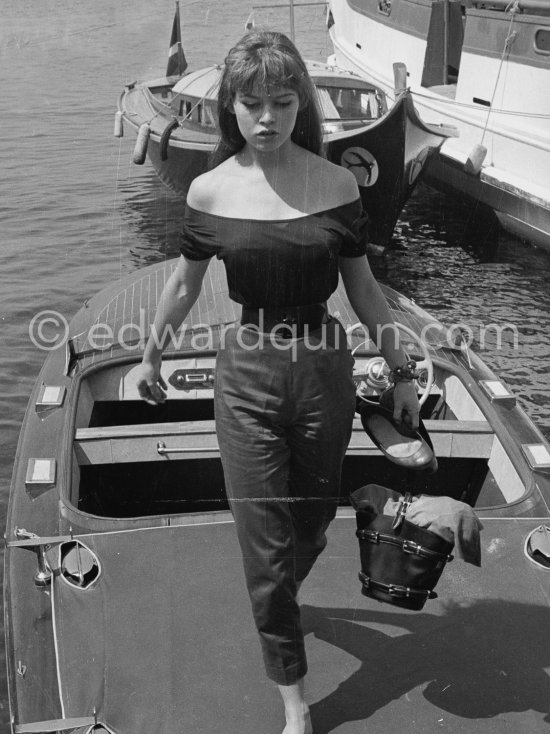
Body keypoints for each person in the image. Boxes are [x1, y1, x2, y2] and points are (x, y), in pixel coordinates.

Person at [136, 30, 420, 734]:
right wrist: (149, 357)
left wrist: (404, 368)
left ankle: (280, 598)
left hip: (325, 367)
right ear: (232, 107)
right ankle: (294, 700)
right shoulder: (209, 188)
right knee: (265, 545)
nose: (267, 117)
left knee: (313, 520)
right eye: (252, 103)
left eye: (282, 102)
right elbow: (181, 287)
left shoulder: (336, 185)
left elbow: (364, 289)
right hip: (248, 372)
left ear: (301, 105)